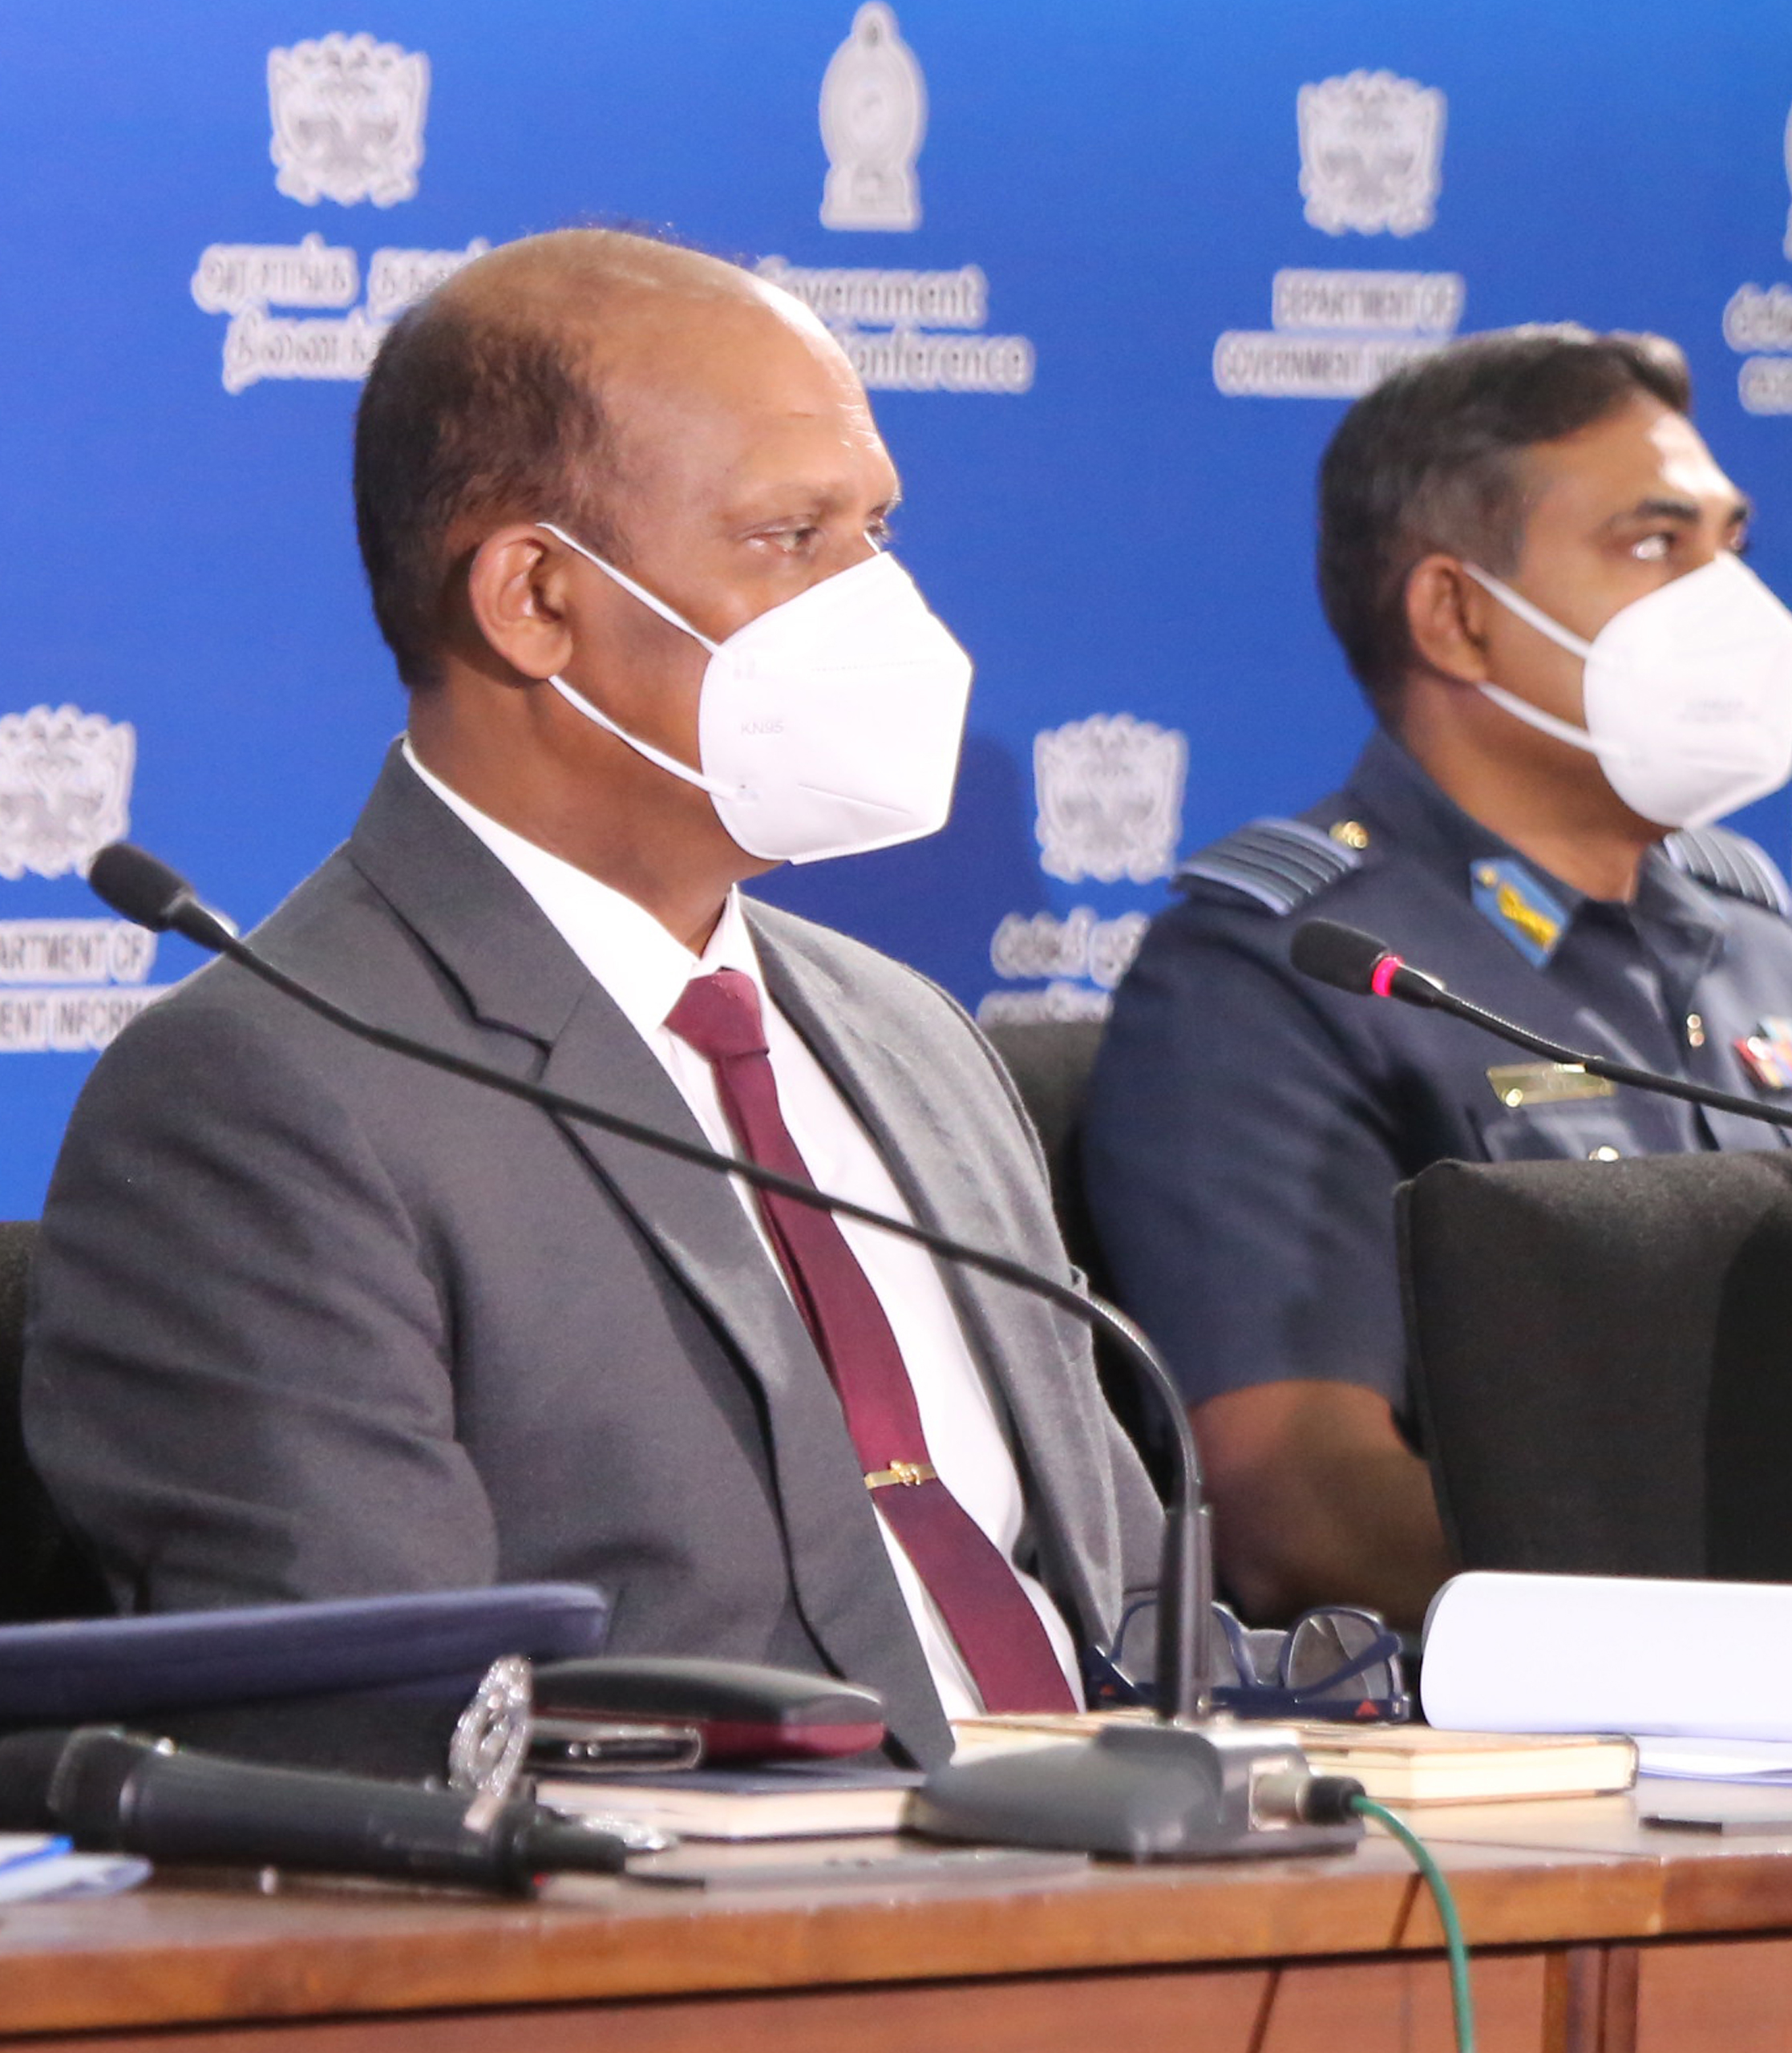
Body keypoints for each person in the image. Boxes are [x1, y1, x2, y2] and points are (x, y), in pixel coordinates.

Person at [23, 230, 1159, 1768]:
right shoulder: (266, 1096)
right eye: (792, 537)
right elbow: (390, 1745)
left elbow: (1135, 1611)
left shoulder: (912, 1039)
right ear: (536, 598)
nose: (878, 603)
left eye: (877, 530)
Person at [1085, 327, 1792, 1628]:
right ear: (1458, 616)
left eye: (1727, 543)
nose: (1726, 597)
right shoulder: (1285, 970)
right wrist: (1705, 1647)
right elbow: (1299, 1504)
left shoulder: (1758, 941)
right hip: (1548, 1735)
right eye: (1652, 544)